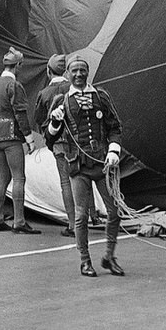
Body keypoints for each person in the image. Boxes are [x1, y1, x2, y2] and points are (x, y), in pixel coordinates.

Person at [44, 54, 126, 277]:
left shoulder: (101, 96)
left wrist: (113, 151)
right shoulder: (61, 101)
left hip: (102, 162)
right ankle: (85, 261)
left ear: (87, 73)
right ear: (67, 74)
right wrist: (54, 122)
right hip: (77, 165)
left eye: (83, 70)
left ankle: (109, 256)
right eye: (74, 71)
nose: (79, 74)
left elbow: (115, 127)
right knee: (81, 216)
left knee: (114, 210)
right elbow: (49, 139)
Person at [0, 48, 39, 234]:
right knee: (19, 178)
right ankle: (19, 221)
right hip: (12, 136)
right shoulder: (14, 86)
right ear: (18, 66)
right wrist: (29, 138)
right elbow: (20, 114)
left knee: (3, 178)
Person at [32, 54, 77, 238]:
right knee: (82, 178)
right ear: (66, 71)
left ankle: (73, 225)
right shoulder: (75, 87)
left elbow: (39, 119)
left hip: (58, 142)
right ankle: (91, 216)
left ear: (49, 72)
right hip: (78, 141)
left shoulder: (44, 94)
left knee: (65, 182)